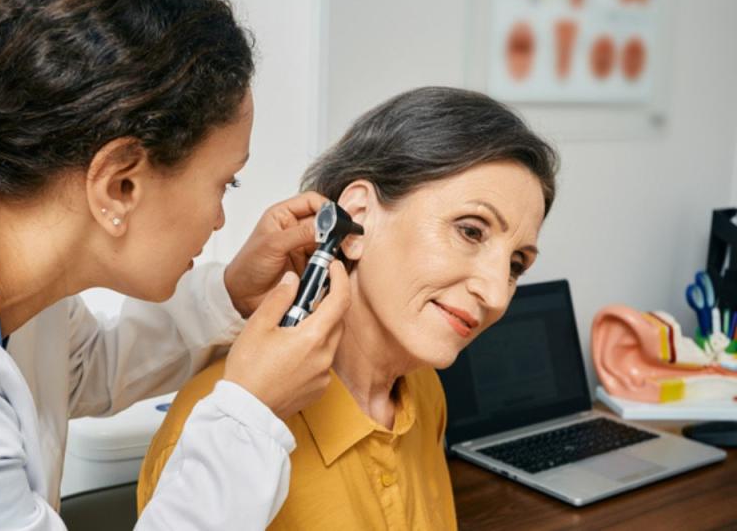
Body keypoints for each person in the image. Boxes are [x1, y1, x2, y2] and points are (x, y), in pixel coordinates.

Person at [0, 0, 350, 529]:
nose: (221, 218)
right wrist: (249, 415)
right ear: (120, 184)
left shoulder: (1, 280)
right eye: (227, 181)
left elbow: (82, 367)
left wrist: (229, 293)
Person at [138, 86, 559, 530]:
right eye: (471, 232)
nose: (496, 294)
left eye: (516, 265)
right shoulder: (217, 430)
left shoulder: (424, 392)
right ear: (358, 217)